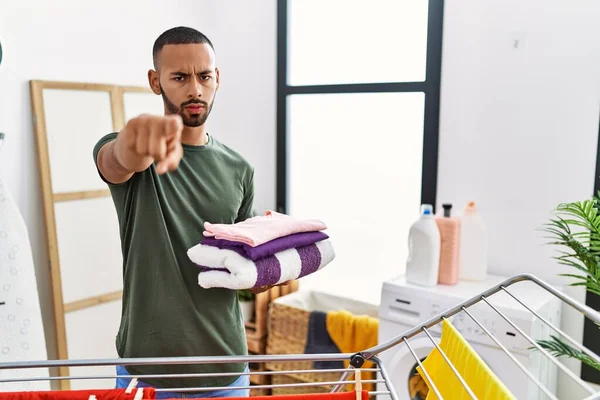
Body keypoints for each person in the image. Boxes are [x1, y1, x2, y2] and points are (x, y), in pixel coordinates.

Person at [93, 26, 270, 398]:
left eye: (204, 76)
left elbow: (242, 271)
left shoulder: (240, 168)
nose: (194, 89)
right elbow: (117, 161)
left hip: (227, 367)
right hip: (148, 369)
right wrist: (134, 137)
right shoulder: (133, 152)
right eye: (179, 77)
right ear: (156, 82)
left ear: (217, 78)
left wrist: (269, 258)